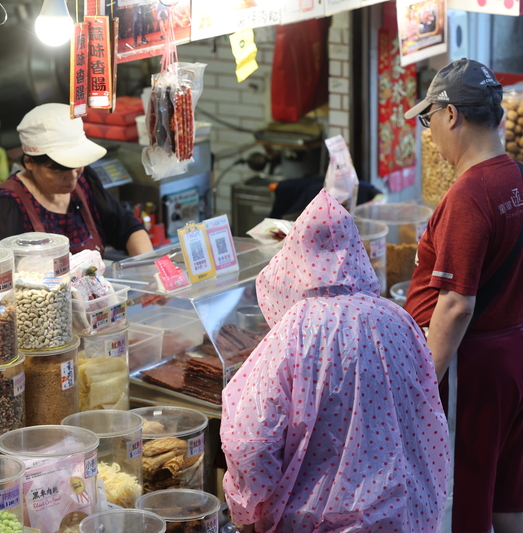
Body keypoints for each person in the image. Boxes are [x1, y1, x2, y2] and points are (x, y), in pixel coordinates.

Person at [221, 190, 450, 532]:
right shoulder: (400, 321)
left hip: (314, 523)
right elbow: (428, 421)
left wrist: (246, 511)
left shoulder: (291, 334)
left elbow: (251, 442)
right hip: (405, 517)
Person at [404, 58, 523, 533]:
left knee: (461, 501)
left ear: (451, 114)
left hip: (470, 371)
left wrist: (421, 387)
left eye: (429, 119)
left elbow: (456, 304)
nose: (430, 133)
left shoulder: (470, 194)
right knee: (507, 494)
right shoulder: (516, 176)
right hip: (511, 358)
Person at [0, 103, 154, 257]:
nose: (72, 177)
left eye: (77, 165)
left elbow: (127, 228)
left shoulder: (85, 180)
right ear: (29, 162)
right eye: (59, 171)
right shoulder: (9, 203)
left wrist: (148, 268)